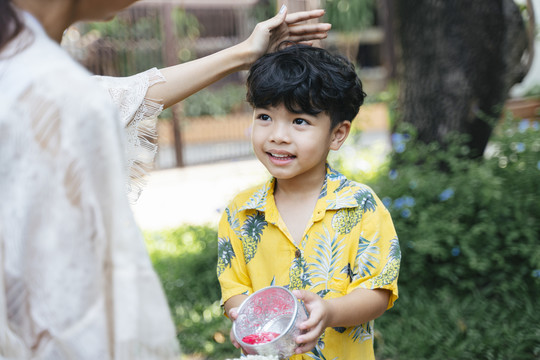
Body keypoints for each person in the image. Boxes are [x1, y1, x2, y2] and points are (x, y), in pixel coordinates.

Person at [0, 0, 331, 358]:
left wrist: (245, 53)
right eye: (264, 117)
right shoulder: (52, 92)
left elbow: (126, 97)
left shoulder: (35, 78)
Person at [217, 44, 401, 360]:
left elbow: (378, 292)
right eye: (265, 116)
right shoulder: (240, 212)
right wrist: (242, 316)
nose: (277, 135)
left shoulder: (361, 207)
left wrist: (329, 312)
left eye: (299, 121)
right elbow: (234, 291)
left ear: (337, 134)